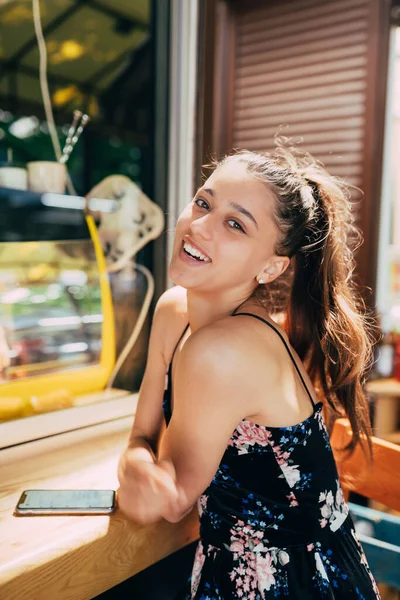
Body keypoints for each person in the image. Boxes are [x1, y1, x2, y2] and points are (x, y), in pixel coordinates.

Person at [117, 143, 380, 599]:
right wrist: (140, 467)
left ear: (272, 266)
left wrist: (138, 469)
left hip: (294, 584)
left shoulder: (226, 350)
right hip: (229, 563)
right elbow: (145, 443)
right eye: (203, 201)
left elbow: (170, 498)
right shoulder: (174, 312)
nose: (198, 227)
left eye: (235, 224)